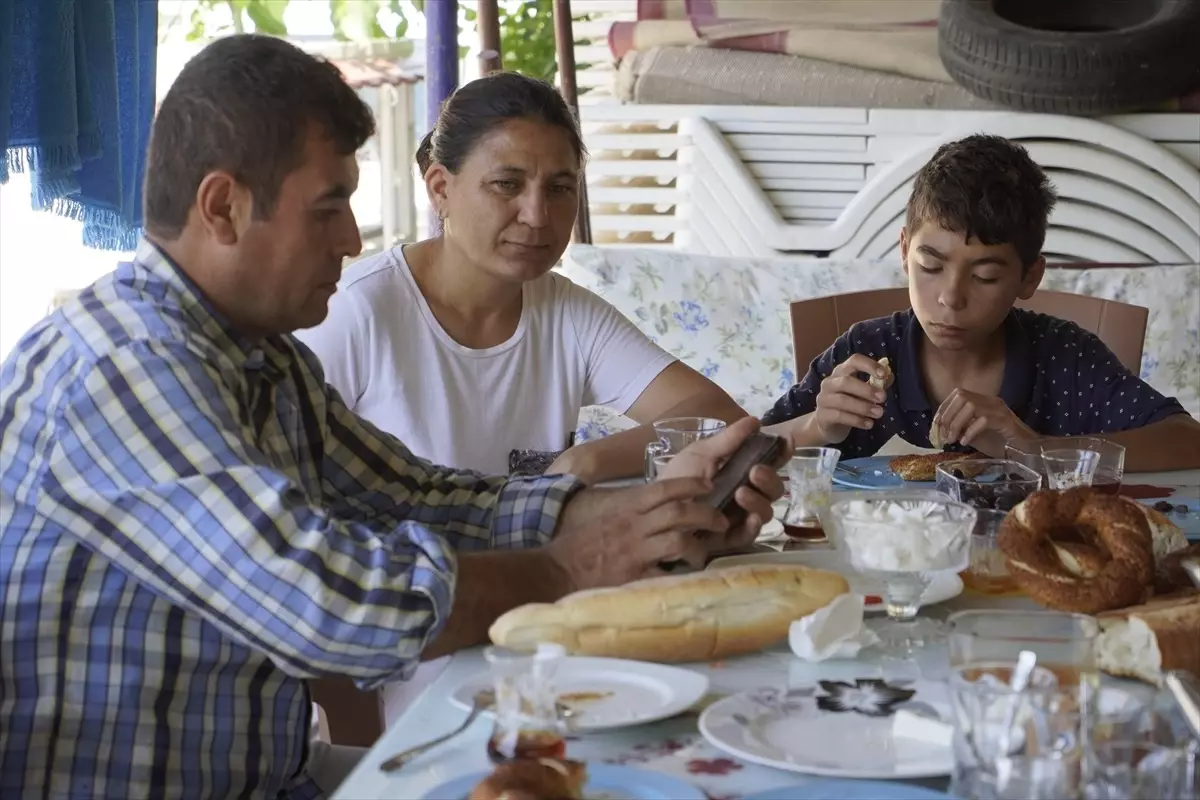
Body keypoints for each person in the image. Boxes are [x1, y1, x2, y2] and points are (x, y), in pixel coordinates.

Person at [0, 35, 784, 800]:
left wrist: (650, 522)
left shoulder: (266, 361)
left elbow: (422, 496)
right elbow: (327, 605)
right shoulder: (120, 368)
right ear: (223, 208)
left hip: (274, 775)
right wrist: (570, 566)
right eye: (330, 206)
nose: (351, 238)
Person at [294, 71, 746, 483]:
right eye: (506, 184)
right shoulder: (360, 312)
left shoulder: (566, 312)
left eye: (559, 188)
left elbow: (715, 415)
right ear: (440, 188)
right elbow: (287, 483)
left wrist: (586, 461)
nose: (537, 215)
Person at [762, 134, 1200, 471]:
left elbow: (1187, 438)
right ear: (903, 251)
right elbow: (743, 451)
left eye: (986, 276)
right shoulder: (865, 351)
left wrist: (1034, 449)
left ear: (1029, 276)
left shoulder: (1066, 358)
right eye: (930, 266)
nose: (951, 298)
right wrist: (815, 427)